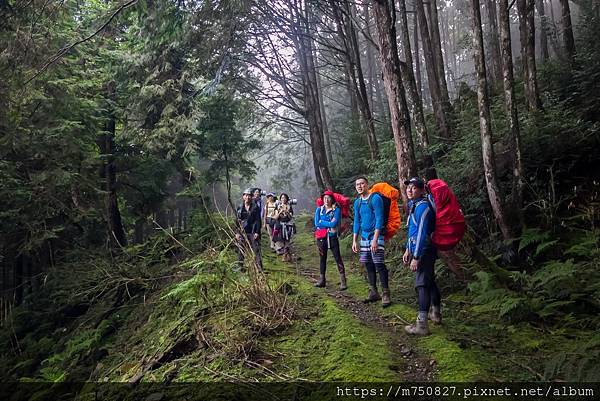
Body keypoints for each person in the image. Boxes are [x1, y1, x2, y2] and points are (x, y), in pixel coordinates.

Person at [403, 177, 440, 336]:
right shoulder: (414, 205)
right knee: (429, 281)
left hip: (424, 249)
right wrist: (407, 249)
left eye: (414, 188)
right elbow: (412, 229)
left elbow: (421, 233)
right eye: (408, 187)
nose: (410, 190)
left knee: (422, 284)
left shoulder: (423, 207)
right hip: (420, 248)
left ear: (422, 190)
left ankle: (422, 324)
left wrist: (416, 256)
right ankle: (436, 313)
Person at [351, 177, 391, 307]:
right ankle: (374, 291)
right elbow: (357, 221)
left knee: (379, 264)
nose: (360, 186)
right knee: (368, 264)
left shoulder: (375, 198)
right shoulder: (357, 202)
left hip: (376, 236)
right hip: (364, 237)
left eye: (362, 183)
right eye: (357, 184)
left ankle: (386, 293)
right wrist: (354, 240)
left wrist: (375, 239)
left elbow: (379, 219)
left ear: (367, 185)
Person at [314, 190, 347, 290]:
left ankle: (343, 281)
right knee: (322, 258)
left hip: (332, 237)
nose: (326, 200)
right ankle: (322, 280)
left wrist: (322, 222)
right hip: (321, 238)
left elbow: (334, 224)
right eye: (324, 198)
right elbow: (316, 223)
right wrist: (327, 222)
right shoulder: (319, 210)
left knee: (337, 258)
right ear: (322, 199)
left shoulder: (336, 210)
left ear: (332, 199)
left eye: (328, 198)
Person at [235, 188, 263, 270]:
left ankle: (259, 268)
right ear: (243, 196)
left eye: (249, 196)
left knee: (256, 250)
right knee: (241, 250)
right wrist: (237, 232)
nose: (247, 197)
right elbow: (237, 220)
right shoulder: (240, 207)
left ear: (252, 197)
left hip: (253, 232)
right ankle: (240, 267)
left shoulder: (255, 207)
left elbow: (258, 220)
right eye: (246, 195)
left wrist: (257, 232)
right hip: (242, 232)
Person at [273, 193, 294, 262]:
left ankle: (286, 256)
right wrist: (280, 212)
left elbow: (291, 217)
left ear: (287, 199)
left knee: (287, 241)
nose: (283, 199)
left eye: (284, 198)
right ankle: (285, 255)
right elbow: (275, 217)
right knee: (281, 240)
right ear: (280, 199)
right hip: (280, 226)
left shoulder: (289, 207)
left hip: (288, 225)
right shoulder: (278, 206)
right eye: (282, 198)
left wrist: (287, 212)